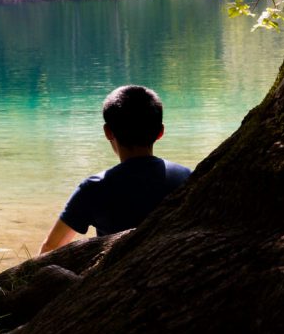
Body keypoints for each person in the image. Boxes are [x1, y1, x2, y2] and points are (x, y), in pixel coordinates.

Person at [39, 85, 192, 255]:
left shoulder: (95, 188)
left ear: (108, 132)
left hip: (117, 276)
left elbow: (50, 248)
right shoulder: (187, 178)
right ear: (160, 132)